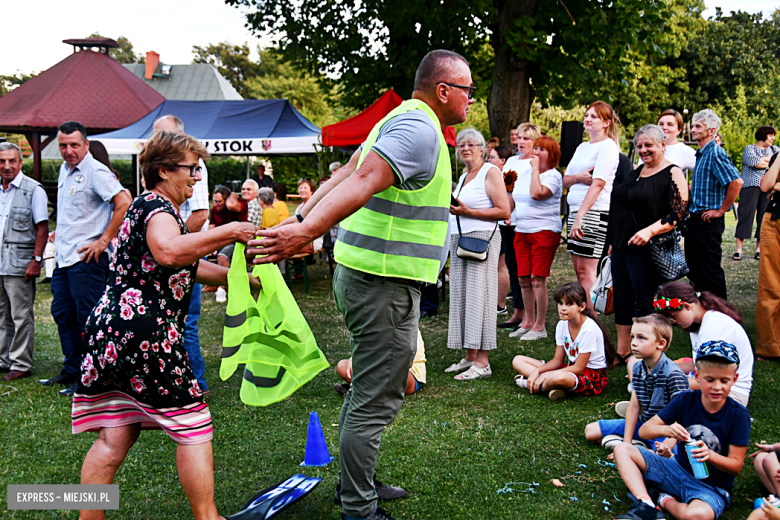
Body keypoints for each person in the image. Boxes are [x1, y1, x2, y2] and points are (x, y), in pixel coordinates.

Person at [245, 49, 473, 520]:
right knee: (374, 400)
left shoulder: (399, 120)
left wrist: (302, 220)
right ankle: (359, 508)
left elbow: (347, 173)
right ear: (444, 90)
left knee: (366, 390)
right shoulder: (420, 128)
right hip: (382, 285)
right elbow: (363, 177)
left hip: (370, 280)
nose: (472, 99)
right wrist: (303, 232)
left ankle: (357, 483)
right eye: (467, 90)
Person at [71, 130, 260, 520]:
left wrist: (239, 279)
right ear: (162, 171)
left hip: (111, 331)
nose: (196, 177)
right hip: (146, 333)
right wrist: (230, 230)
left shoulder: (147, 207)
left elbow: (184, 264)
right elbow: (170, 252)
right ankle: (208, 518)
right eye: (191, 169)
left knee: (116, 432)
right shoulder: (158, 208)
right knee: (193, 424)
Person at [39, 121, 132, 396]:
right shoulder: (65, 170)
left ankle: (94, 379)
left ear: (86, 144)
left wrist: (104, 240)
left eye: (74, 145)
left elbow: (124, 201)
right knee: (63, 314)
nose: (68, 151)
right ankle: (73, 369)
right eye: (63, 146)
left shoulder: (96, 171)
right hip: (65, 258)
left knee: (89, 320)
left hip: (88, 261)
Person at [612, 341, 750, 520]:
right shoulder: (685, 400)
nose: (717, 387)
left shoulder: (738, 415)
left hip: (711, 488)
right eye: (710, 380)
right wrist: (667, 430)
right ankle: (645, 504)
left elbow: (736, 465)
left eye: (724, 381)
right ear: (697, 376)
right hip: (677, 470)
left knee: (696, 516)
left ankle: (662, 498)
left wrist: (710, 455)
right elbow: (645, 430)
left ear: (735, 379)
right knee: (622, 449)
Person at [607, 125, 688, 362]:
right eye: (639, 146)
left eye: (648, 145)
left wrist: (649, 231)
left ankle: (647, 355)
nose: (643, 150)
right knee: (622, 297)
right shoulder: (638, 171)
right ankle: (623, 352)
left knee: (644, 301)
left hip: (648, 247)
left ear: (663, 145)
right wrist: (614, 241)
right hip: (623, 245)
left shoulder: (672, 173)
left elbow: (678, 213)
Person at [445, 127, 510, 380]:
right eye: (461, 144)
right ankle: (471, 355)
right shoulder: (463, 176)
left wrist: (468, 212)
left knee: (480, 297)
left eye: (471, 144)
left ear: (483, 149)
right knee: (462, 296)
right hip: (460, 239)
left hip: (481, 239)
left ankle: (483, 362)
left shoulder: (490, 172)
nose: (465, 148)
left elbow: (504, 211)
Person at [584, 314, 689, 450]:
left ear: (661, 343)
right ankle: (634, 445)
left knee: (670, 458)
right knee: (590, 431)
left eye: (641, 338)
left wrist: (667, 444)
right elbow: (634, 406)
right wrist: (626, 444)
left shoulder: (673, 375)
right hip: (643, 424)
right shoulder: (638, 368)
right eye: (633, 336)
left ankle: (643, 450)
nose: (633, 342)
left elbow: (682, 417)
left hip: (666, 433)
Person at [653, 281, 754, 407]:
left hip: (729, 394)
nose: (674, 321)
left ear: (687, 306)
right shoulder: (698, 324)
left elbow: (711, 378)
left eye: (674, 316)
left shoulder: (714, 326)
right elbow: (697, 364)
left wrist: (663, 380)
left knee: (657, 386)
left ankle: (651, 409)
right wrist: (657, 370)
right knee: (647, 374)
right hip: (709, 385)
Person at [512, 282, 614, 400]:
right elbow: (557, 361)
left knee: (558, 377)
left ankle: (537, 385)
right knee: (518, 360)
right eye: (560, 303)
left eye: (569, 304)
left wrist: (546, 375)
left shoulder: (588, 330)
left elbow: (579, 368)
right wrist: (538, 371)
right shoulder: (562, 325)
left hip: (589, 375)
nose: (563, 308)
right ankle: (551, 386)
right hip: (570, 368)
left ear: (582, 307)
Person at [0, 142, 48, 381]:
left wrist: (36, 260)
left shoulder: (33, 189)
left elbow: (42, 227)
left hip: (19, 262)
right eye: (2, 161)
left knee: (20, 314)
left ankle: (21, 362)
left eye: (12, 161)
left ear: (20, 163)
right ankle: (4, 358)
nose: (7, 166)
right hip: (0, 262)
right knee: (1, 315)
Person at [564, 101, 620, 307]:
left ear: (606, 122)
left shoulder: (608, 146)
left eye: (594, 116)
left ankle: (595, 326)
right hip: (576, 213)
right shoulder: (582, 147)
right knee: (579, 272)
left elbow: (598, 184)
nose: (588, 119)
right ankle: (587, 320)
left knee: (587, 272)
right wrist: (578, 177)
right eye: (587, 115)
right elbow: (565, 179)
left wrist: (581, 216)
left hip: (592, 213)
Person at [508, 136, 563, 341]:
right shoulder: (526, 173)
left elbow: (536, 193)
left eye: (542, 150)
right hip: (522, 230)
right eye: (536, 148)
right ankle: (527, 321)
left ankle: (540, 326)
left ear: (552, 155)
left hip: (544, 230)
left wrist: (534, 170)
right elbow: (514, 196)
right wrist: (506, 213)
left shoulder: (553, 176)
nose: (537, 153)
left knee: (537, 279)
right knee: (523, 278)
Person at [686, 109, 743, 300]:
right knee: (695, 270)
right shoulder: (702, 154)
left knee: (709, 271)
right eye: (693, 125)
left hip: (707, 222)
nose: (693, 130)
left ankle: (721, 314)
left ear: (711, 130)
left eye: (698, 126)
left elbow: (736, 182)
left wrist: (721, 210)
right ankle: (702, 312)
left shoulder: (716, 153)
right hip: (695, 219)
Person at [499, 123, 541, 328]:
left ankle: (531, 314)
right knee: (513, 267)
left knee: (528, 270)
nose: (521, 142)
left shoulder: (538, 162)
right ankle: (518, 310)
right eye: (520, 138)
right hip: (508, 221)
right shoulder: (511, 162)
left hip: (528, 222)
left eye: (527, 138)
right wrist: (506, 212)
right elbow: (508, 189)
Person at [335, 329, 426, 398]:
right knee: (342, 366)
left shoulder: (404, 323)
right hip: (379, 371)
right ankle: (370, 392)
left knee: (392, 369)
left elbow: (405, 361)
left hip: (410, 375)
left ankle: (365, 392)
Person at [734, 126, 779, 260]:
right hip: (750, 186)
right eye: (771, 135)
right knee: (745, 216)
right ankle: (739, 249)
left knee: (763, 217)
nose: (773, 138)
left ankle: (759, 249)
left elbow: (775, 164)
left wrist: (765, 162)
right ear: (763, 135)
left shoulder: (775, 149)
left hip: (769, 187)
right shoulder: (750, 148)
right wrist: (769, 162)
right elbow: (755, 163)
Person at [757, 154, 780, 358]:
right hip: (773, 219)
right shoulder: (776, 156)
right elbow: (766, 185)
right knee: (770, 284)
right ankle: (769, 345)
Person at [490, 145, 515, 315]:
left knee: (501, 265)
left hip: (504, 224)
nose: (489, 160)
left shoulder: (508, 177)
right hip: (494, 224)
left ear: (502, 161)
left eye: (492, 157)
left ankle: (500, 304)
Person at [213, 185, 249, 303]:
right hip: (220, 242)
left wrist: (233, 194)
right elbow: (211, 228)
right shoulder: (215, 210)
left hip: (237, 242)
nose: (216, 204)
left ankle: (222, 289)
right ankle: (213, 283)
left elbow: (231, 205)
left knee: (222, 256)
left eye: (219, 201)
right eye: (214, 201)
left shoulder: (239, 205)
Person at [657, 109, 697, 173]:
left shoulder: (685, 151)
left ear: (679, 130)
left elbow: (706, 171)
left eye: (670, 124)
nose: (664, 127)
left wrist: (690, 183)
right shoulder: (647, 146)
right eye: (661, 124)